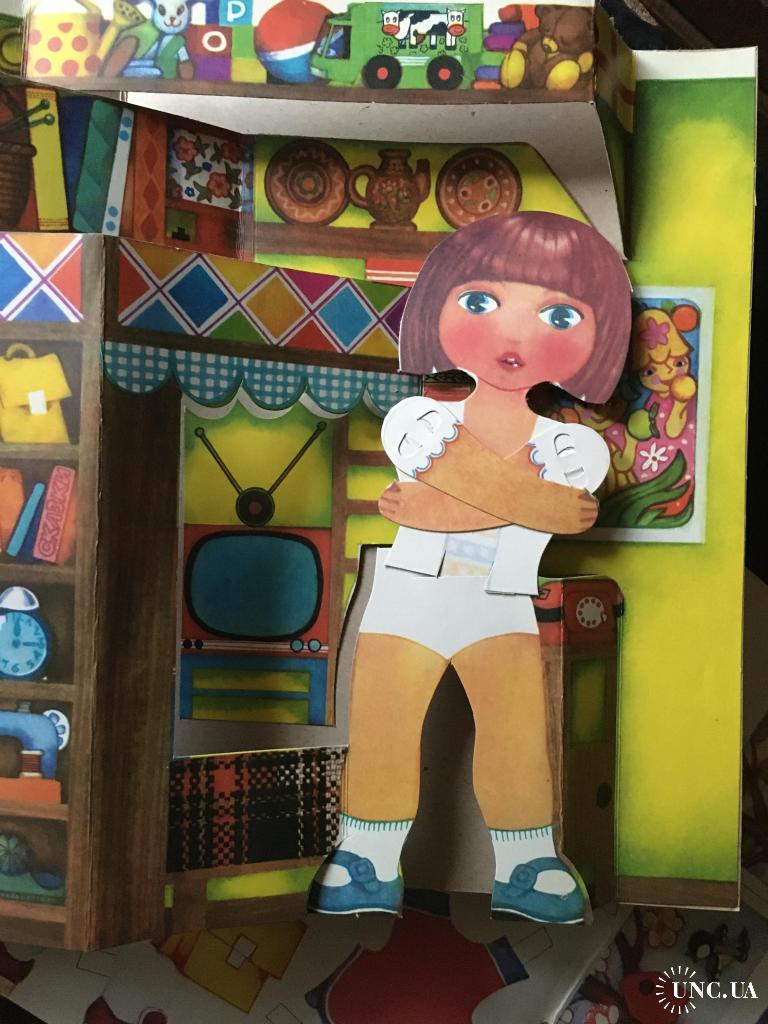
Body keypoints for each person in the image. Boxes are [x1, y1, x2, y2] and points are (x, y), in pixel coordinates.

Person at [308, 211, 632, 923]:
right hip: (408, 598)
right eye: (482, 301)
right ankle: (365, 858)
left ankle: (527, 864)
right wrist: (537, 503)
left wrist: (439, 498)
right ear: (435, 309)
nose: (514, 334)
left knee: (516, 734)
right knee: (386, 726)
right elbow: (540, 510)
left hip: (502, 600)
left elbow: (452, 503)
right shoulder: (415, 420)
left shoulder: (578, 448)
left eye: (558, 314)